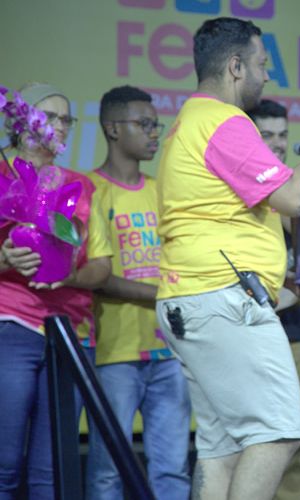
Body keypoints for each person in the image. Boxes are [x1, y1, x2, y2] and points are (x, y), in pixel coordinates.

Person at [154, 17, 300, 500]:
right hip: (222, 300)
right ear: (236, 66)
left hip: (196, 298)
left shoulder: (190, 122)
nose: (266, 76)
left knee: (222, 448)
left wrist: (289, 284)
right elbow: (294, 199)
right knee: (280, 432)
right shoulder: (223, 122)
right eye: (262, 65)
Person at [0, 82, 112, 498]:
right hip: (12, 324)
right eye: (49, 116)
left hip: (71, 332)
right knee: (4, 465)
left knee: (53, 470)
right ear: (20, 118)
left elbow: (100, 267)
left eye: (66, 118)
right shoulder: (2, 173)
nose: (60, 125)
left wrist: (68, 276)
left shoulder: (80, 185)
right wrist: (5, 260)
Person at [84, 85, 191, 500]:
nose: (154, 134)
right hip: (114, 352)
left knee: (172, 471)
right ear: (113, 128)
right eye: (144, 124)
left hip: (169, 351)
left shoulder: (162, 191)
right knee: (107, 471)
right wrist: (160, 293)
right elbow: (97, 276)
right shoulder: (89, 189)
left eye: (156, 125)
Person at [246, 98, 300, 500]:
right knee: (250, 439)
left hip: (299, 330)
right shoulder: (237, 188)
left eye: (282, 135)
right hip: (248, 328)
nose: (277, 143)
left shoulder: (299, 187)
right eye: (266, 135)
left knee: (295, 438)